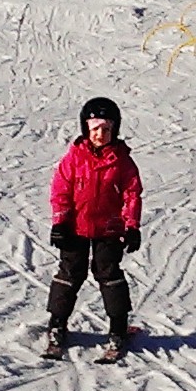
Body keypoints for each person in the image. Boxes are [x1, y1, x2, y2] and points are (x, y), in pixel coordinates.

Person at [45, 97, 143, 360]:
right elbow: (61, 191)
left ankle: (118, 327)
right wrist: (60, 222)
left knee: (109, 274)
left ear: (115, 130)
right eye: (95, 128)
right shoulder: (74, 158)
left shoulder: (122, 161)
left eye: (106, 129)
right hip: (75, 228)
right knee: (69, 273)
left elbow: (132, 194)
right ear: (85, 128)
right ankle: (57, 324)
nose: (100, 134)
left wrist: (132, 226)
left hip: (109, 230)